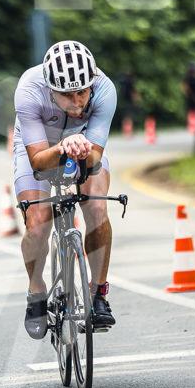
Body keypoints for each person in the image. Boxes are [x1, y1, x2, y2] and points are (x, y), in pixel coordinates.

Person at [13, 40, 117, 339]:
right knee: (37, 223)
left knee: (96, 207)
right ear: (50, 89)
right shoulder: (29, 89)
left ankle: (98, 293)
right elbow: (37, 162)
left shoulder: (105, 89)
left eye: (82, 91)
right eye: (67, 95)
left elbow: (94, 161)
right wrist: (61, 147)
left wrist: (80, 149)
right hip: (39, 146)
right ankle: (36, 290)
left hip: (85, 144)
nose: (77, 101)